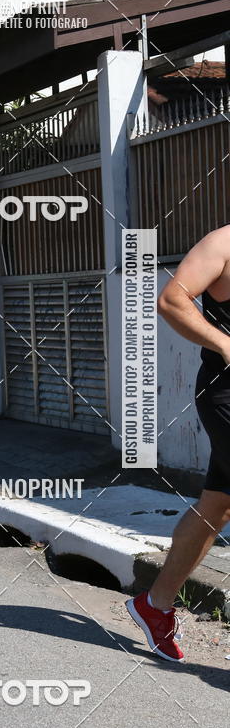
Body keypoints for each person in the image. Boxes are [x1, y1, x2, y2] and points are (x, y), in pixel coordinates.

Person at [126, 225, 230, 662]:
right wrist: (224, 342)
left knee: (218, 505)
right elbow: (172, 300)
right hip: (227, 392)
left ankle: (155, 605)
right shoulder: (223, 243)